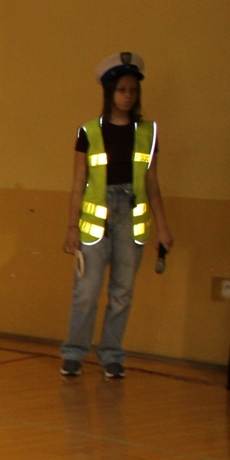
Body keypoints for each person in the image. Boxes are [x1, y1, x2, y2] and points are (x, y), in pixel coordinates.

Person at [60, 52, 173, 379]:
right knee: (87, 292)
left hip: (130, 221)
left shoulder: (148, 131)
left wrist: (163, 227)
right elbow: (78, 185)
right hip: (96, 223)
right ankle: (74, 353)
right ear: (109, 92)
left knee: (122, 293)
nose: (128, 96)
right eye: (122, 89)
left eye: (133, 90)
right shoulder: (89, 132)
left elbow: (152, 183)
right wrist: (72, 228)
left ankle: (111, 355)